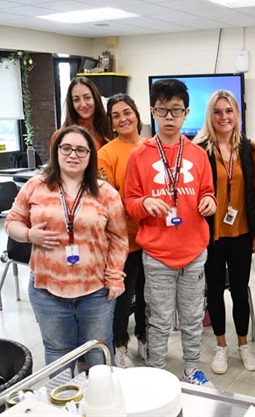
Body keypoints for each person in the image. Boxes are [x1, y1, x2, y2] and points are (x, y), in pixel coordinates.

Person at [5, 125, 128, 370]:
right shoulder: (36, 186)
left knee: (99, 350)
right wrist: (29, 234)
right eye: (67, 148)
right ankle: (63, 406)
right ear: (56, 152)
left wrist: (115, 276)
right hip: (47, 289)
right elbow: (12, 223)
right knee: (57, 351)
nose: (74, 155)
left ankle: (102, 406)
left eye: (81, 150)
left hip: (95, 290)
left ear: (91, 156)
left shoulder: (106, 193)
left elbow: (119, 238)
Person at [124, 79, 217, 387]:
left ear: (186, 113)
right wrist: (144, 202)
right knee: (159, 319)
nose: (169, 116)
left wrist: (208, 201)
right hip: (157, 254)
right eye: (163, 110)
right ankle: (157, 374)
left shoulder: (198, 154)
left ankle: (191, 370)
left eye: (176, 110)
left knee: (192, 318)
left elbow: (208, 192)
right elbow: (129, 202)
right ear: (152, 111)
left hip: (193, 252)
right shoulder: (139, 155)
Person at [193, 90, 255, 375]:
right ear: (210, 116)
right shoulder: (199, 148)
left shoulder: (247, 147)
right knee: (214, 291)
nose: (223, 117)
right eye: (217, 112)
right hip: (211, 234)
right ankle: (221, 346)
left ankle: (243, 344)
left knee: (238, 288)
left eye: (228, 111)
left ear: (237, 115)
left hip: (242, 231)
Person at [98, 94, 146, 368]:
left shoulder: (152, 146)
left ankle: (144, 338)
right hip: (123, 241)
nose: (123, 118)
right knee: (124, 297)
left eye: (127, 112)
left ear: (137, 114)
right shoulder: (106, 153)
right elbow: (109, 197)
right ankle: (120, 344)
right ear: (111, 123)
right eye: (116, 115)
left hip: (153, 238)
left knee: (149, 297)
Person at [50, 77, 114, 151]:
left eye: (87, 97)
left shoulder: (112, 130)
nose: (83, 104)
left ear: (95, 98)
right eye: (76, 100)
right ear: (71, 104)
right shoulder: (59, 137)